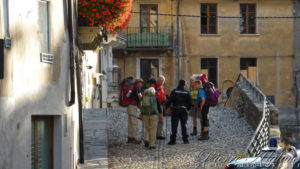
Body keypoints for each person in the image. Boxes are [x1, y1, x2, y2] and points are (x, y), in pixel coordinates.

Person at [166, 80, 192, 145]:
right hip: (183, 110)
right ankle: (185, 140)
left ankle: (173, 140)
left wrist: (166, 107)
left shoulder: (174, 91)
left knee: (174, 125)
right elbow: (190, 103)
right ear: (184, 84)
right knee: (184, 125)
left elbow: (170, 100)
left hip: (175, 109)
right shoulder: (187, 92)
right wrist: (188, 109)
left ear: (178, 83)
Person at [127, 79, 144, 144]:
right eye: (141, 82)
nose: (142, 84)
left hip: (129, 106)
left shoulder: (133, 87)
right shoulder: (137, 88)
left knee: (130, 122)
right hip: (133, 106)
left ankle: (130, 137)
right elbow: (140, 97)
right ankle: (135, 137)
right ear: (138, 83)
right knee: (134, 123)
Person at [156, 75, 167, 140]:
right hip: (156, 105)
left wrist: (165, 97)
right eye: (162, 81)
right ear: (158, 80)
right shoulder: (154, 86)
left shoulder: (161, 87)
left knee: (161, 120)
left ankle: (159, 134)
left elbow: (162, 94)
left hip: (161, 105)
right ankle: (155, 134)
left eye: (163, 81)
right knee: (157, 120)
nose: (162, 82)